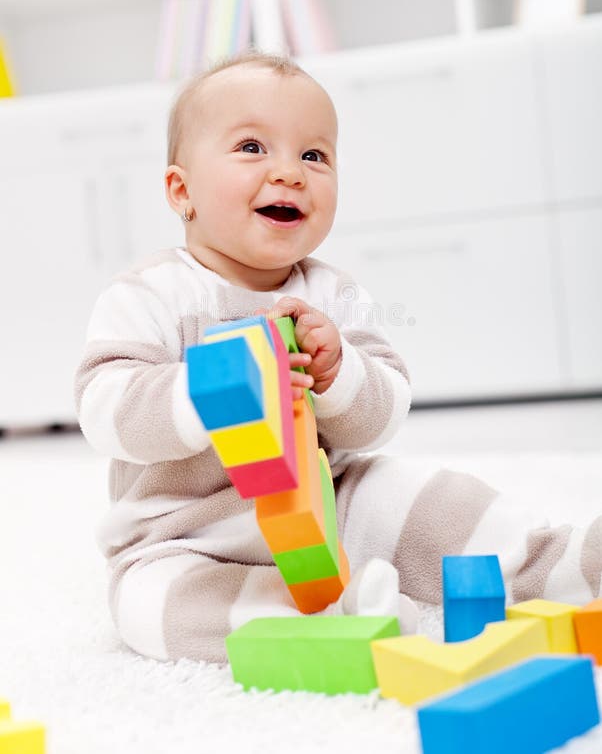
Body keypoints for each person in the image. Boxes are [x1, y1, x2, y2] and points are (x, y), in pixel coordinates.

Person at [74, 50, 601, 664]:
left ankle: (558, 560)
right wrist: (206, 389)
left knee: (427, 497)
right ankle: (328, 618)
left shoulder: (330, 294)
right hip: (186, 532)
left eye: (314, 155)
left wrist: (338, 370)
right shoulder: (151, 294)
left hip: (330, 501)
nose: (290, 173)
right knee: (149, 607)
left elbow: (386, 408)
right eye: (251, 147)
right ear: (181, 190)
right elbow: (102, 405)